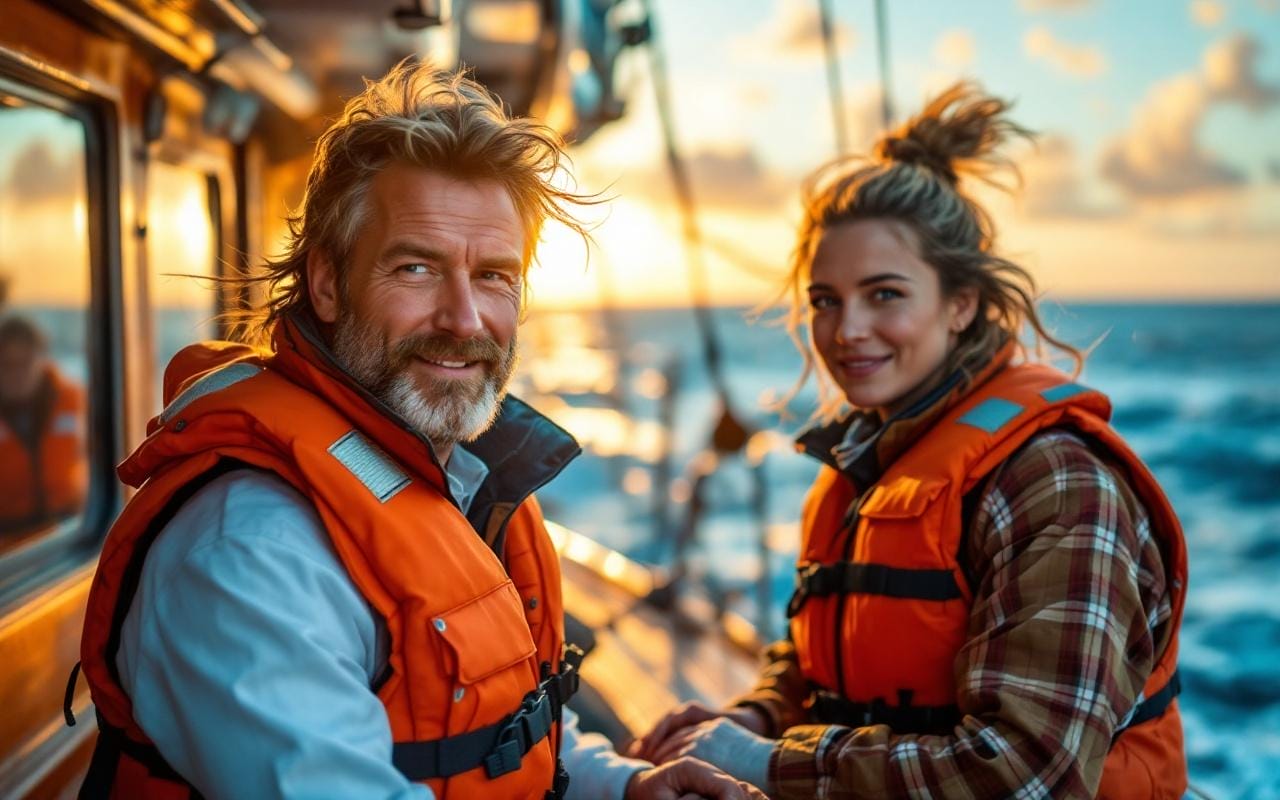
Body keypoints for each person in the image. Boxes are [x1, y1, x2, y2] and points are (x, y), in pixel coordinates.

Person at [76, 61, 763, 800]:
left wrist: (623, 786)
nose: (464, 319)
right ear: (328, 283)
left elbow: (487, 730)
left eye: (495, 276)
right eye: (415, 268)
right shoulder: (251, 551)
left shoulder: (448, 479)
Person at [629, 84, 1187, 799]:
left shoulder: (1055, 483)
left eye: (884, 294)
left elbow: (1026, 776)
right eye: (825, 301)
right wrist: (754, 716)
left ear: (961, 304)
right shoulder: (866, 465)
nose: (846, 330)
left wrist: (766, 763)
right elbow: (823, 663)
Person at [0, 314, 87, 540]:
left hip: (70, 536)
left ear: (41, 359)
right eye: (9, 364)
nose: (18, 373)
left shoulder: (76, 402)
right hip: (9, 553)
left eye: (26, 362)